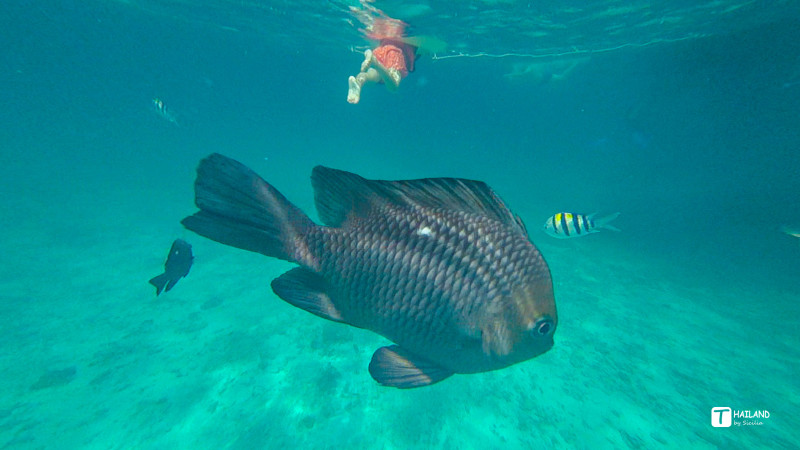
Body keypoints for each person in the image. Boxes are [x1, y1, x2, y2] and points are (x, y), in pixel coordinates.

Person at [347, 18, 417, 104]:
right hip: (394, 53)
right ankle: (375, 63)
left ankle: (358, 83)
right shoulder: (411, 42)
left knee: (369, 75)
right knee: (393, 86)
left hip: (380, 52)